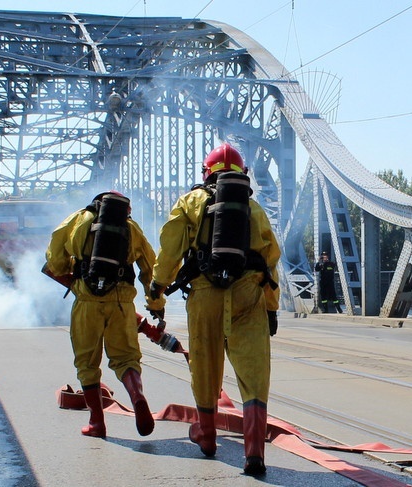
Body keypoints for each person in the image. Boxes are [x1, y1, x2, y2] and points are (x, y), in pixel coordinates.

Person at [150, 143, 280, 476]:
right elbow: (270, 262)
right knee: (254, 374)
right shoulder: (254, 209)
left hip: (204, 295)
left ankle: (206, 436)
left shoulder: (190, 203)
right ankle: (254, 452)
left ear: (206, 173)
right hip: (248, 295)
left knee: (204, 367)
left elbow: (169, 250)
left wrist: (157, 291)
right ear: (242, 174)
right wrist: (271, 308)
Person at [45, 191, 165, 439]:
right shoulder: (131, 228)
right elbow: (149, 267)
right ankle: (137, 396)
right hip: (121, 302)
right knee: (126, 359)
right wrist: (155, 302)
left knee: (87, 364)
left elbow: (55, 256)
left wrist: (67, 268)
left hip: (87, 301)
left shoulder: (78, 220)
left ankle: (97, 423)